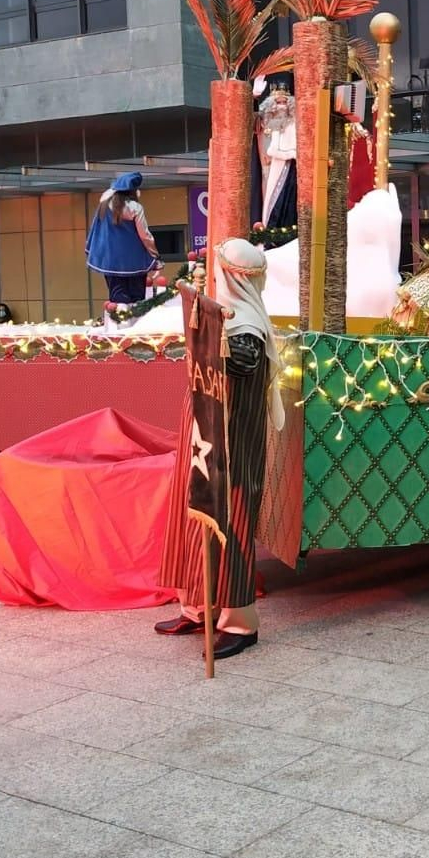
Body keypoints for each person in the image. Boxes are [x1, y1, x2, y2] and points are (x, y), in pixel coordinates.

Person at [154, 238, 282, 659]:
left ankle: (239, 622)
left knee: (232, 522)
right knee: (194, 518)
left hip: (231, 448)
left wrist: (214, 328)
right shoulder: (230, 318)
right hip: (203, 442)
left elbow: (239, 362)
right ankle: (197, 606)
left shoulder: (245, 325)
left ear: (228, 275)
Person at [85, 172, 159, 304]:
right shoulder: (135, 207)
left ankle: (119, 323)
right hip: (135, 260)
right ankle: (137, 323)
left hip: (110, 260)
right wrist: (155, 255)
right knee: (137, 298)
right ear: (133, 191)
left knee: (117, 298)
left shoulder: (104, 204)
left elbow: (95, 229)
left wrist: (90, 249)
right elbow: (145, 235)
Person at [254, 78, 298, 236]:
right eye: (277, 102)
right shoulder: (263, 120)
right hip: (265, 167)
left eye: (284, 102)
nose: (281, 106)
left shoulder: (294, 122)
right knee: (266, 198)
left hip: (286, 165)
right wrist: (254, 97)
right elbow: (246, 119)